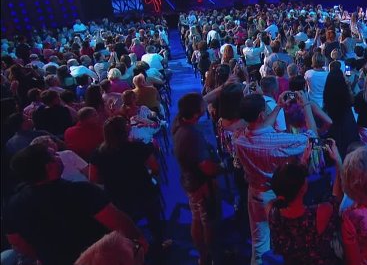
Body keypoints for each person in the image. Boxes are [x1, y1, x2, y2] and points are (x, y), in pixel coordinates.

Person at [2, 144, 147, 265]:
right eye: (54, 155)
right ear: (49, 167)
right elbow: (118, 223)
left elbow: (17, 242)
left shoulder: (12, 205)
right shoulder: (81, 192)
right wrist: (138, 242)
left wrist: (44, 255)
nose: (59, 156)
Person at [233, 94, 311, 265]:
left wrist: (278, 106)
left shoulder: (239, 139)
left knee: (259, 243)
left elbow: (260, 128)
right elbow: (311, 138)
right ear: (262, 114)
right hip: (277, 196)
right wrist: (306, 105)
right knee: (288, 242)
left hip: (255, 193)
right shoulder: (278, 141)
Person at [89, 116, 166, 253]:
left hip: (117, 196)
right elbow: (155, 168)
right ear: (125, 131)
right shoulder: (138, 147)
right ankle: (159, 241)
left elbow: (93, 178)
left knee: (126, 222)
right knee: (154, 213)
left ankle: (133, 248)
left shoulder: (97, 153)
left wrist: (111, 180)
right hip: (143, 191)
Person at [268, 139, 344, 265]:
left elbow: (286, 188)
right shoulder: (319, 212)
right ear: (303, 187)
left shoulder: (272, 212)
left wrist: (302, 164)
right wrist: (338, 161)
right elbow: (337, 197)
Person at [172, 93, 223, 265]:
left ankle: (203, 256)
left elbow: (202, 100)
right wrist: (223, 167)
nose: (204, 105)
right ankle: (211, 255)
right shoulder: (192, 136)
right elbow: (206, 167)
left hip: (189, 180)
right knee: (208, 221)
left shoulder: (178, 122)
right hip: (201, 185)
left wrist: (221, 88)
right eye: (201, 105)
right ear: (196, 114)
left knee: (197, 217)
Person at [322, 61, 360, 155]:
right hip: (347, 125)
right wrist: (349, 87)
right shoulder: (345, 93)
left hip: (333, 128)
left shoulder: (327, 95)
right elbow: (352, 102)